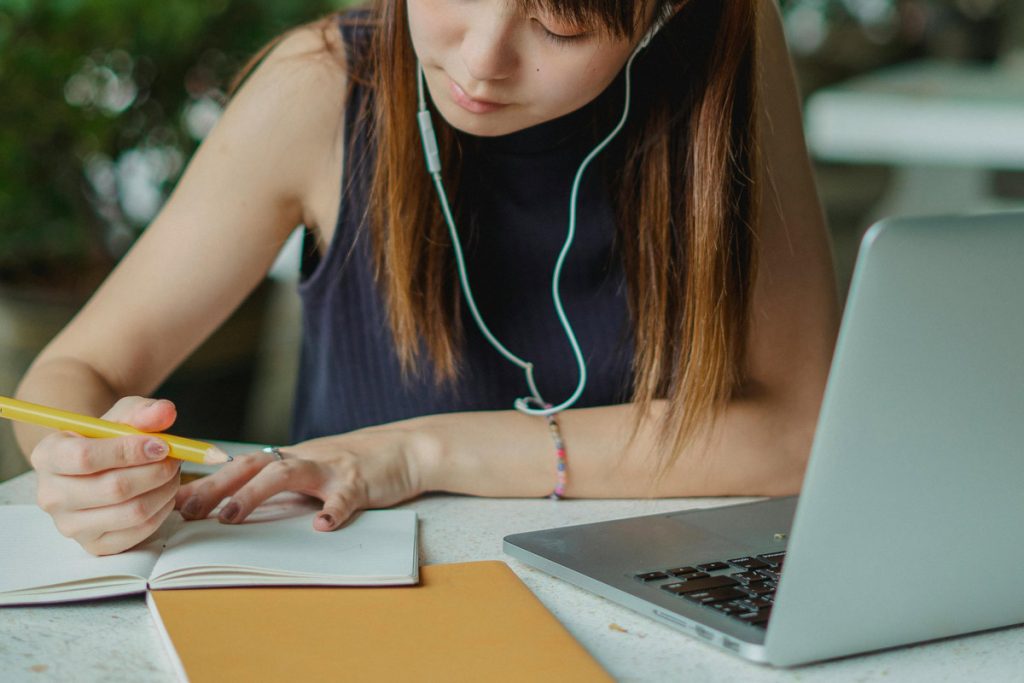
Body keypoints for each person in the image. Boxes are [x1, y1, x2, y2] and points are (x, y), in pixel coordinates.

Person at [15, 0, 838, 556]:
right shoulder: (321, 87)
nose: (482, 62)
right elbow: (76, 372)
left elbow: (797, 437)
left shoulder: (722, 59)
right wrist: (82, 468)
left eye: (560, 25)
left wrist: (416, 452)